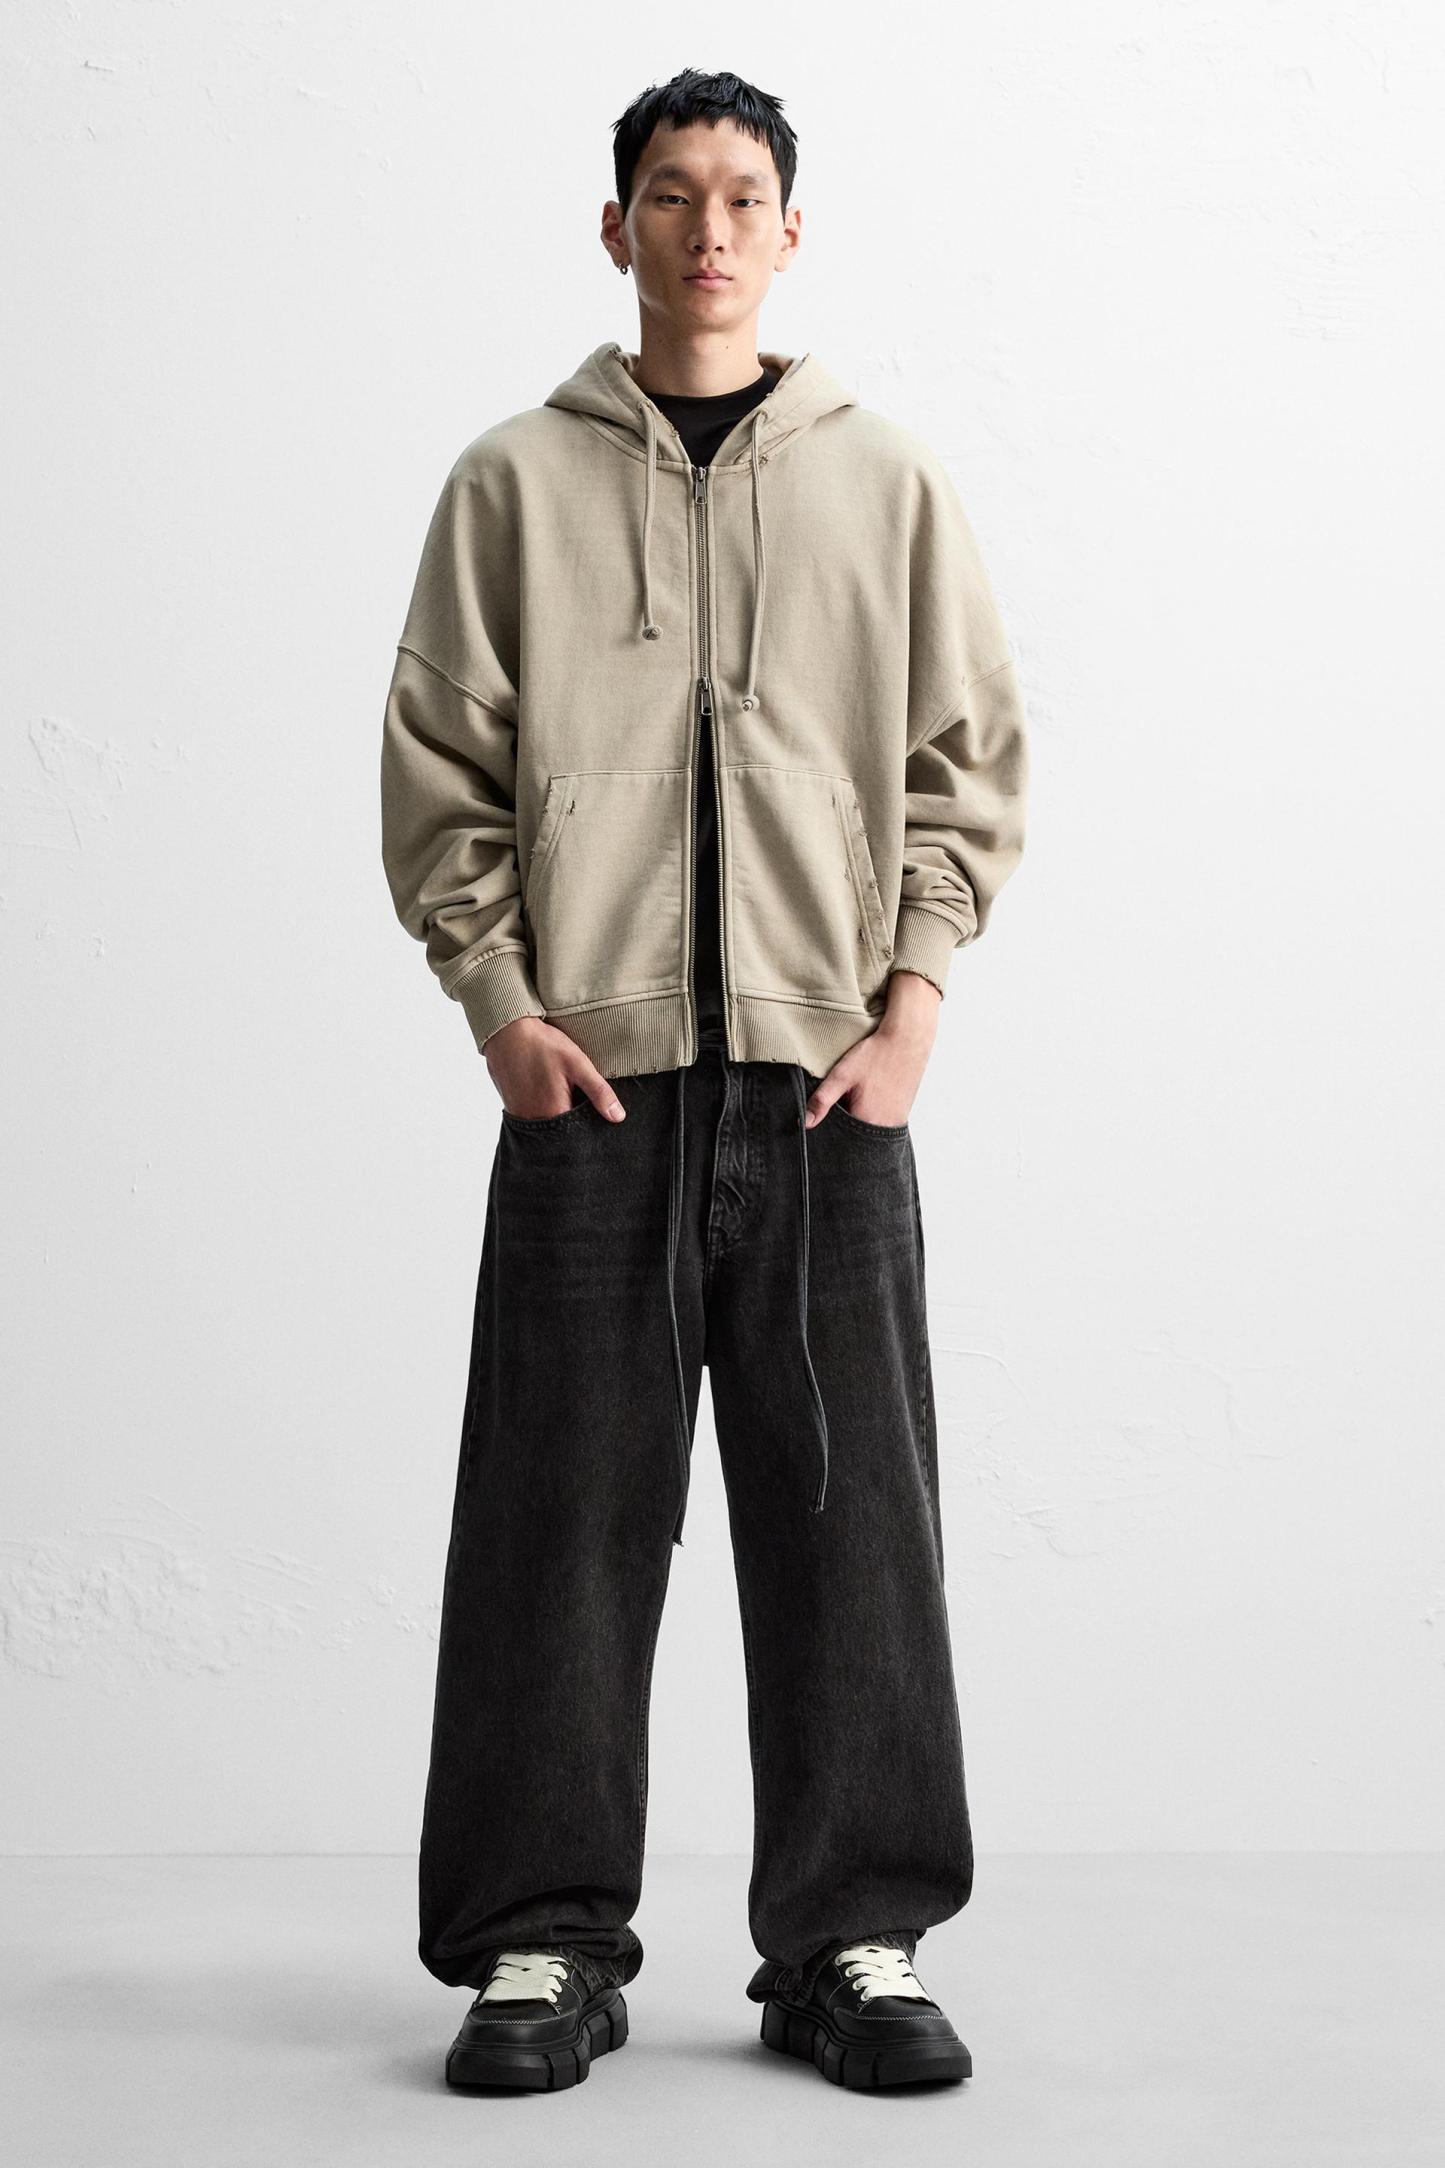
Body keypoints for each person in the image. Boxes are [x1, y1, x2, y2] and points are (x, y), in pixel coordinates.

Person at [379, 66, 1029, 2095]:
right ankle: (539, 1946)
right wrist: (501, 1005)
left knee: (853, 1527)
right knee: (557, 1523)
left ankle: (854, 1937)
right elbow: (440, 764)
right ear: (618, 229)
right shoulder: (511, 482)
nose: (710, 227)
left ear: (790, 231)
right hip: (592, 1089)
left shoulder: (883, 482)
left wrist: (911, 1001)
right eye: (671, 193)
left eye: (744, 194)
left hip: (827, 1091)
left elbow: (965, 759)